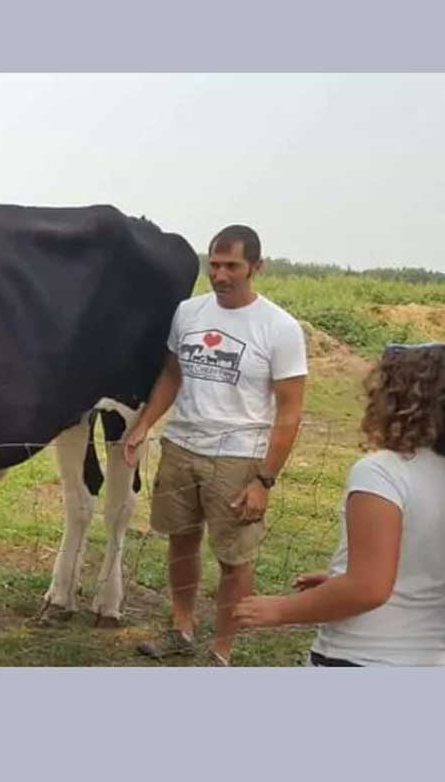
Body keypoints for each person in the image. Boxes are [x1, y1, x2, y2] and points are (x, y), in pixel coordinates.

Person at [123, 224, 307, 666]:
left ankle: (222, 649)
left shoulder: (279, 328)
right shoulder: (188, 313)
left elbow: (290, 411)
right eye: (215, 265)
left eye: (232, 267)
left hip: (238, 456)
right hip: (182, 447)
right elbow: (172, 374)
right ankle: (182, 628)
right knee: (180, 543)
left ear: (256, 267)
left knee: (233, 558)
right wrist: (145, 423)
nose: (220, 276)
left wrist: (265, 479)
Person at [234, 343, 445, 666]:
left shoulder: (384, 472)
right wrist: (341, 581)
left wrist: (280, 609)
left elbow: (368, 588)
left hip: (362, 655)